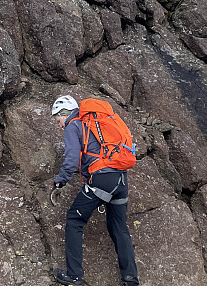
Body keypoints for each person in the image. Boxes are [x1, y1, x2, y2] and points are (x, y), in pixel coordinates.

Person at [50, 95, 140, 286]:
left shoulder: (73, 125)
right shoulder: (93, 123)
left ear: (64, 114)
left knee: (74, 219)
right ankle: (131, 280)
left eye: (58, 120)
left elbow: (72, 159)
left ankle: (74, 276)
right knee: (118, 227)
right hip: (121, 179)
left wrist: (60, 182)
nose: (59, 125)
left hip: (102, 179)